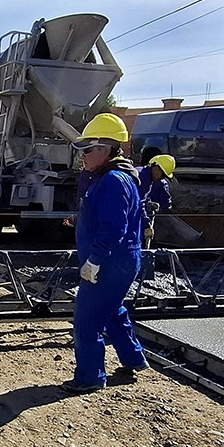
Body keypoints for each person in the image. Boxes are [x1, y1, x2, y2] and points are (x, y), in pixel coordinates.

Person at [64, 113, 150, 394]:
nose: (83, 156)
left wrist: (95, 260)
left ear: (106, 149)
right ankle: (134, 358)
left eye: (87, 149)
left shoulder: (113, 180)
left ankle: (90, 376)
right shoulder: (108, 177)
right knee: (112, 310)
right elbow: (107, 218)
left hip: (111, 261)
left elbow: (115, 227)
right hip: (120, 260)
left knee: (87, 319)